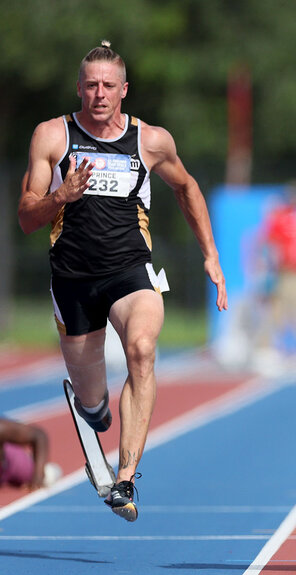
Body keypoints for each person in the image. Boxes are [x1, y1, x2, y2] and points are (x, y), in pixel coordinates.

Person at [17, 41, 228, 521]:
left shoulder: (150, 140)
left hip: (133, 270)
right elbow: (27, 217)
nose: (99, 93)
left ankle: (126, 478)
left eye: (108, 85)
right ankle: (94, 413)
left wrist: (210, 256)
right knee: (94, 400)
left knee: (142, 349)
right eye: (90, 85)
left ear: (124, 90)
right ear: (79, 88)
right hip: (72, 280)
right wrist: (61, 196)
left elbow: (187, 186)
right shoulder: (53, 136)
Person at [0, 419, 61, 491]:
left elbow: (39, 435)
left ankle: (44, 470)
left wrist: (38, 476)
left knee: (49, 476)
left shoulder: (1, 428)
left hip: (10, 464)